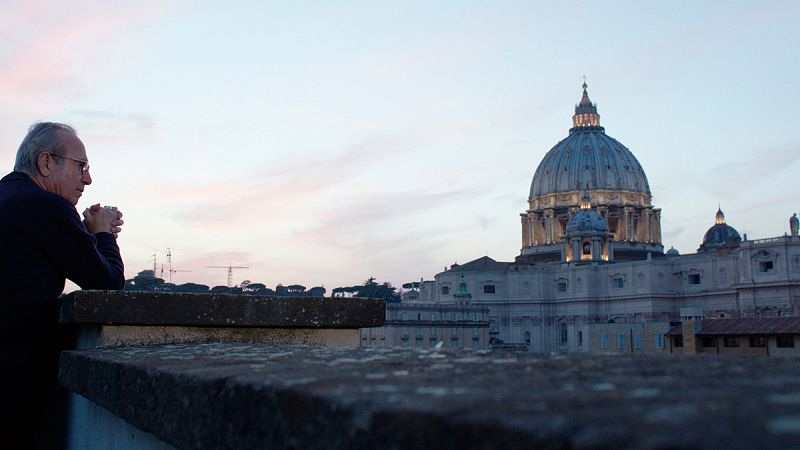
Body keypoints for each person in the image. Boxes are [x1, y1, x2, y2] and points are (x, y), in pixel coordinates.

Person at [0, 122, 125, 448]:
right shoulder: (47, 206)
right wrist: (102, 234)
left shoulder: (8, 198)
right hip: (14, 382)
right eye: (81, 166)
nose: (87, 179)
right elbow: (108, 284)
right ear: (45, 163)